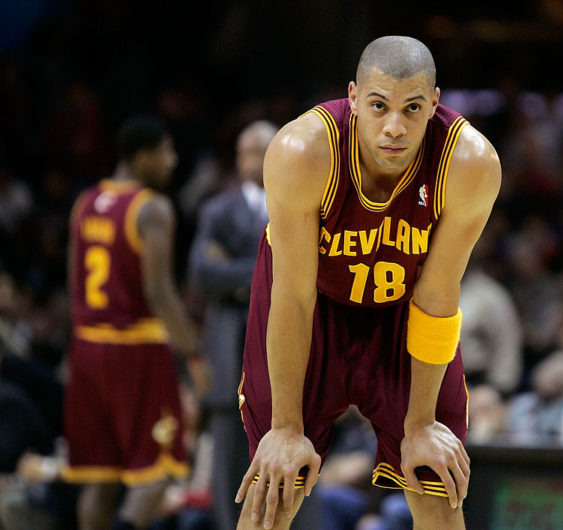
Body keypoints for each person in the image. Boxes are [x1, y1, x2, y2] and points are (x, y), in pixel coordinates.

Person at [235, 36, 500, 530]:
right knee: (275, 482)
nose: (395, 127)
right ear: (353, 98)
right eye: (379, 106)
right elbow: (292, 296)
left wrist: (420, 424)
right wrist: (287, 428)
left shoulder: (470, 164)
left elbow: (438, 294)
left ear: (435, 104)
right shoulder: (302, 151)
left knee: (435, 478)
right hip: (312, 306)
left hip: (405, 311)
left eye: (412, 109)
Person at [62, 115, 204, 530]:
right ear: (142, 157)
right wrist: (194, 356)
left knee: (100, 478)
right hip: (135, 348)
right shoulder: (151, 207)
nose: (173, 160)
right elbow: (159, 292)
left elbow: (74, 286)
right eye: (165, 152)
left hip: (87, 344)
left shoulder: (84, 202)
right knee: (161, 471)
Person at [188, 120, 276, 530]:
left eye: (258, 151)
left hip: (279, 348)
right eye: (244, 152)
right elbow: (202, 273)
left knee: (282, 465)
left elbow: (306, 270)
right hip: (228, 349)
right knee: (227, 473)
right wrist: (260, 276)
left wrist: (236, 274)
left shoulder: (299, 205)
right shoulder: (217, 209)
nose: (250, 160)